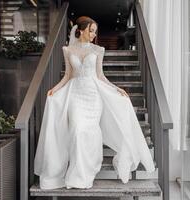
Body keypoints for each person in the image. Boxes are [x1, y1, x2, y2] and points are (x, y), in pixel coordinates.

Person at [34, 16, 155, 190]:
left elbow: (100, 76)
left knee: (91, 132)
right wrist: (55, 89)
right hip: (75, 94)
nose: (93, 34)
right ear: (81, 30)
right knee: (76, 130)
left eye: (95, 32)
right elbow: (68, 75)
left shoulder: (98, 50)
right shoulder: (68, 50)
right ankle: (76, 174)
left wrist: (116, 89)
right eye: (91, 31)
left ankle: (86, 173)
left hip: (93, 96)